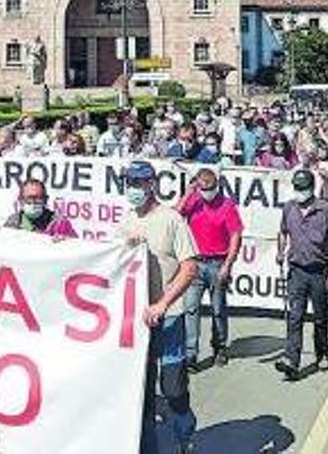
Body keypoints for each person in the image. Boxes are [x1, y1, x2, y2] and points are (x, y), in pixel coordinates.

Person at [119, 161, 198, 454]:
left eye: (138, 184)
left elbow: (189, 267)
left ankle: (184, 432)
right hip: (137, 321)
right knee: (142, 391)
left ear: (151, 185)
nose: (133, 190)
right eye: (129, 183)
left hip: (169, 319)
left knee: (173, 387)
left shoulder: (171, 220)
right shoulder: (125, 221)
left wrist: (163, 303)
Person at [274, 170, 328, 380]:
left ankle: (322, 353)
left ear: (312, 188)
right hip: (297, 270)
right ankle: (291, 360)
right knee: (295, 317)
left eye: (303, 189)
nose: (300, 193)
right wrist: (280, 251)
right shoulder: (289, 207)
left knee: (320, 318)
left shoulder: (326, 210)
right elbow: (283, 231)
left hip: (319, 271)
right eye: (297, 189)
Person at [177, 167, 243, 370]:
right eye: (202, 186)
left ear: (217, 184)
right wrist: (189, 192)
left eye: (210, 186)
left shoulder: (227, 205)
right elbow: (175, 216)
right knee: (191, 308)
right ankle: (190, 354)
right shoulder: (194, 201)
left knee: (217, 309)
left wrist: (228, 264)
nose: (206, 190)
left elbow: (235, 236)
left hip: (217, 263)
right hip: (195, 263)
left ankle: (220, 347)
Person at [1, 179, 78, 239]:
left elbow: (75, 247)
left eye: (38, 199)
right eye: (29, 198)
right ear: (21, 200)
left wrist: (65, 242)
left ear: (45, 200)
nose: (33, 203)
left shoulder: (60, 223)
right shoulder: (12, 222)